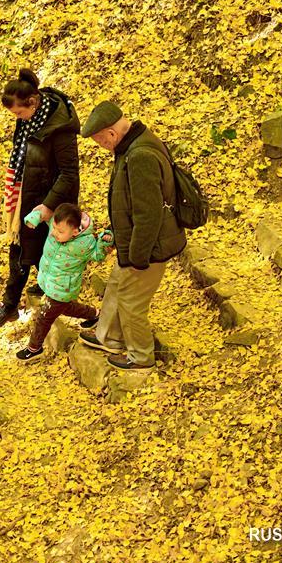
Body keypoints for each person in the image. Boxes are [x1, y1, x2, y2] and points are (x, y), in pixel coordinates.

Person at [77, 101, 186, 369]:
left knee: (131, 302)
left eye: (101, 141)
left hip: (149, 245)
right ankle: (109, 337)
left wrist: (137, 256)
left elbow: (148, 215)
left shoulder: (140, 156)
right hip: (136, 241)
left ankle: (141, 357)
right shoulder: (133, 146)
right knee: (116, 284)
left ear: (111, 134)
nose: (102, 146)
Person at [0, 69, 81, 328]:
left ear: (32, 102)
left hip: (48, 200)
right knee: (26, 249)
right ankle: (21, 300)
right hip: (27, 192)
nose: (17, 118)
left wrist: (47, 207)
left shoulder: (60, 128)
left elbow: (69, 174)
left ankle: (11, 303)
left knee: (29, 250)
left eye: (18, 113)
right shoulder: (31, 118)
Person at [15, 203, 114, 362]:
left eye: (60, 231)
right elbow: (43, 214)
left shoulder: (84, 243)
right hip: (50, 281)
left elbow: (97, 255)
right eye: (54, 228)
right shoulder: (57, 225)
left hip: (63, 287)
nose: (54, 233)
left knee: (45, 317)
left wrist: (104, 242)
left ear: (75, 231)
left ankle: (34, 348)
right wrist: (34, 218)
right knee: (65, 307)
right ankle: (95, 315)